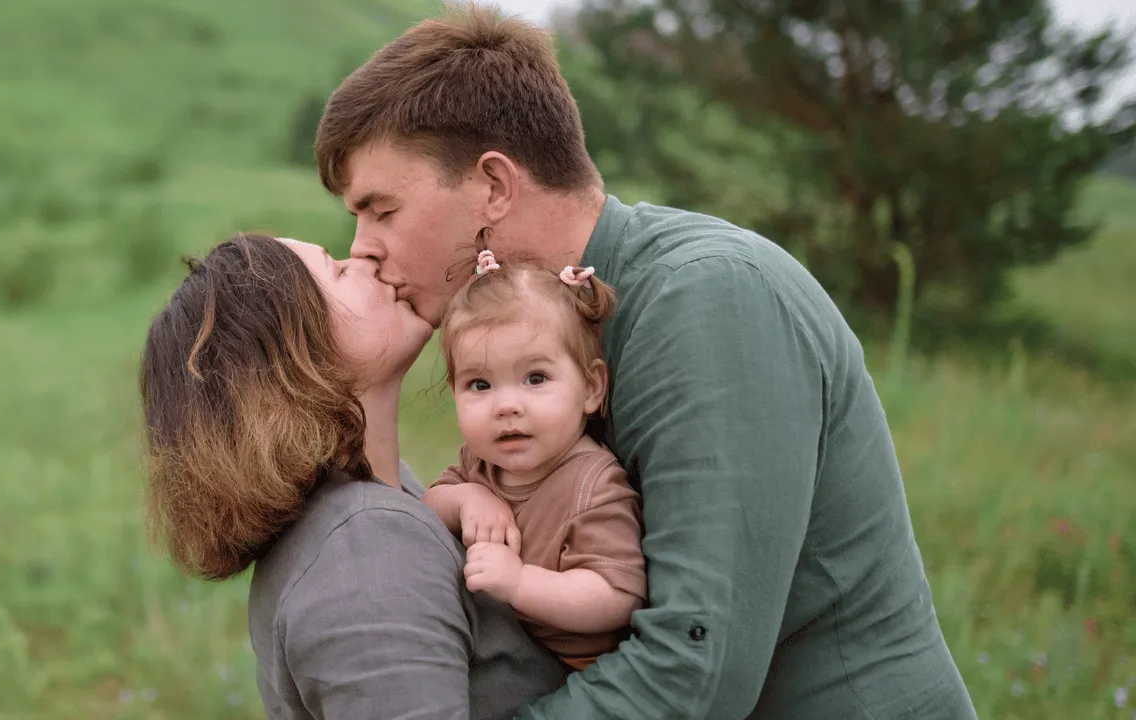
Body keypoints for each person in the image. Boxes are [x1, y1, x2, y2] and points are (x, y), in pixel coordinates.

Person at [315, 5, 979, 719]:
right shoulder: (531, 344)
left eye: (381, 210)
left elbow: (694, 668)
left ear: (494, 187)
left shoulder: (709, 298)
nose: (363, 248)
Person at [139, 233, 567, 719]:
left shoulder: (380, 501)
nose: (364, 257)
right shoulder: (364, 547)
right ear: (293, 357)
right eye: (339, 271)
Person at [422, 249, 646, 672]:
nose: (507, 405)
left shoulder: (592, 485)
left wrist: (520, 582)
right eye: (480, 384)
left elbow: (616, 596)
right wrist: (467, 498)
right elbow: (428, 511)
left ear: (591, 387)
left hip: (576, 672)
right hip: (502, 649)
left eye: (535, 378)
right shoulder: (480, 466)